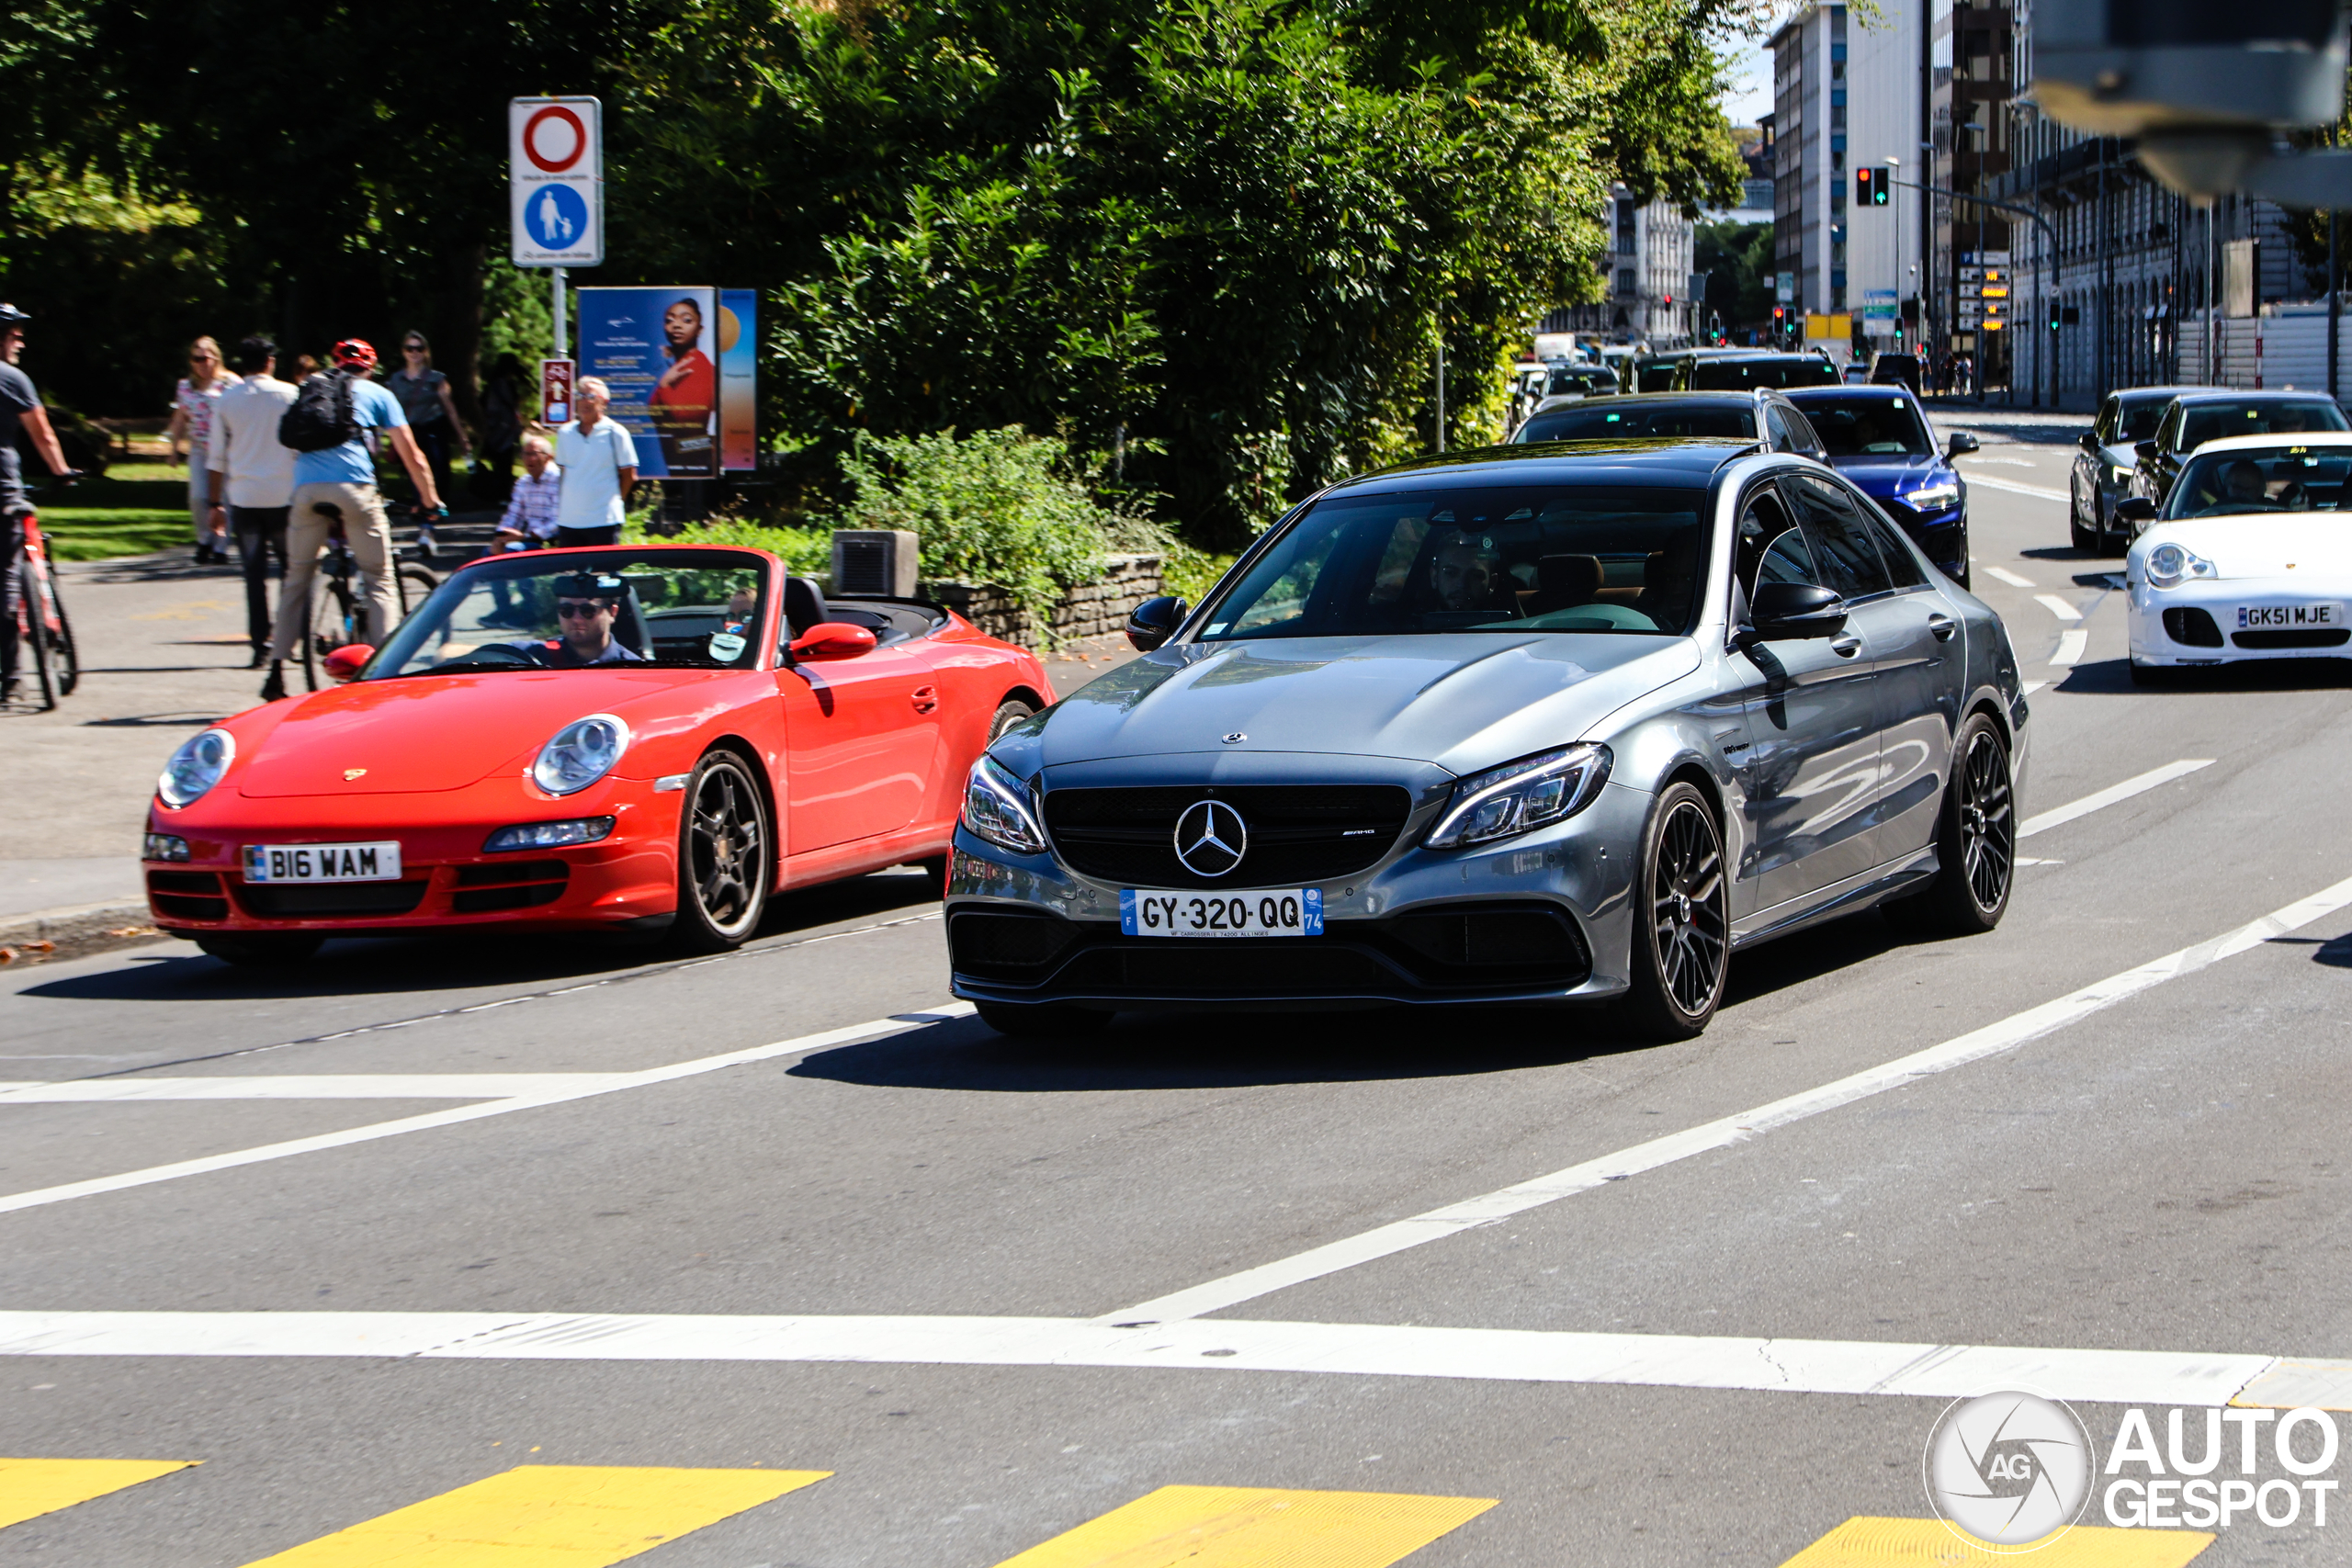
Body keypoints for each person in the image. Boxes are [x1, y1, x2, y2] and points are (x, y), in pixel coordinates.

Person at [260, 338, 447, 702]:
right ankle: (387, 673)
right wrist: (430, 500)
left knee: (297, 577)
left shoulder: (310, 389)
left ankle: (276, 670)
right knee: (379, 577)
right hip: (355, 489)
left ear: (336, 365)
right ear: (370, 367)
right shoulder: (378, 393)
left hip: (306, 491)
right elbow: (412, 456)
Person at [0, 304, 79, 705]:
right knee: (8, 583)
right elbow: (43, 434)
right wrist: (62, 471)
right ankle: (12, 679)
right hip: (3, 495)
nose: (21, 341)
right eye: (15, 334)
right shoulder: (11, 378)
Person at [204, 336, 299, 668]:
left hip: (244, 497)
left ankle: (260, 645)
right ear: (270, 361)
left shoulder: (226, 401)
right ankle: (290, 638)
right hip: (284, 494)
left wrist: (214, 503)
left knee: (254, 574)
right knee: (293, 572)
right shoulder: (290, 395)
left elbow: (216, 457)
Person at [386, 332, 470, 560]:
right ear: (403, 351)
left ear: (425, 352)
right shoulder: (395, 380)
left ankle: (428, 527)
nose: (414, 353)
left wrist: (462, 436)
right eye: (410, 348)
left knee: (439, 480)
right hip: (409, 435)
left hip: (434, 432)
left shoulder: (436, 378)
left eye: (419, 349)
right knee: (417, 480)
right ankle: (425, 529)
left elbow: (449, 408)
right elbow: (387, 410)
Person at [165, 335, 242, 564]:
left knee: (224, 499)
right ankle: (204, 539)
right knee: (198, 497)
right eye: (197, 359)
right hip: (199, 448)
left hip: (226, 449)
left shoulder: (230, 383)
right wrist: (173, 449)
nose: (202, 364)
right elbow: (179, 419)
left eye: (206, 358)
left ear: (215, 358)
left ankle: (220, 546)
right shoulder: (185, 387)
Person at [482, 433, 561, 627]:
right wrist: (500, 537)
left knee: (515, 553)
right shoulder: (523, 482)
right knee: (489, 554)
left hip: (550, 540)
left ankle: (531, 612)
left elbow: (560, 520)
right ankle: (504, 608)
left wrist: (527, 536)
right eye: (524, 454)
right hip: (527, 538)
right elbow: (513, 515)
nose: (527, 459)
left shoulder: (558, 480)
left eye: (533, 454)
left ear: (548, 456)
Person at [554, 377, 637, 547]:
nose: (584, 401)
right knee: (569, 572)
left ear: (604, 402)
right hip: (570, 521)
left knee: (604, 571)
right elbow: (563, 472)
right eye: (579, 395)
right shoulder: (565, 433)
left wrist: (615, 502)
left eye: (590, 397)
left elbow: (629, 475)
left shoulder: (616, 433)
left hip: (604, 521)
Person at [645, 297, 717, 475]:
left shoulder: (698, 366)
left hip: (696, 465)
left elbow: (687, 421)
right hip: (680, 464)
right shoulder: (679, 367)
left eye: (686, 320)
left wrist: (664, 386)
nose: (676, 325)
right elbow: (656, 413)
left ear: (700, 330)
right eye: (670, 320)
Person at [518, 572, 642, 665]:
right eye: (567, 610)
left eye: (587, 610)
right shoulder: (529, 655)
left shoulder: (632, 668)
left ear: (612, 613)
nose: (576, 619)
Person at [475, 352, 527, 502]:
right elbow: (496, 408)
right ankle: (501, 495)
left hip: (501, 431)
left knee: (502, 464)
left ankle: (501, 494)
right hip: (502, 430)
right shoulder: (501, 385)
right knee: (504, 465)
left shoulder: (497, 383)